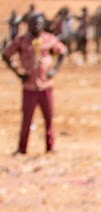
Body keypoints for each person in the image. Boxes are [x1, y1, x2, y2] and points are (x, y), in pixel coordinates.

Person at [3, 13, 68, 156]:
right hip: (30, 86)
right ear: (29, 25)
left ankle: (50, 147)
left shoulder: (49, 39)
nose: (37, 26)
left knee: (49, 118)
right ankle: (22, 148)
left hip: (46, 85)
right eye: (34, 23)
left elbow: (63, 51)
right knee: (27, 119)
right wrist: (18, 72)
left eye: (39, 23)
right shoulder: (21, 41)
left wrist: (54, 70)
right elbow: (6, 54)